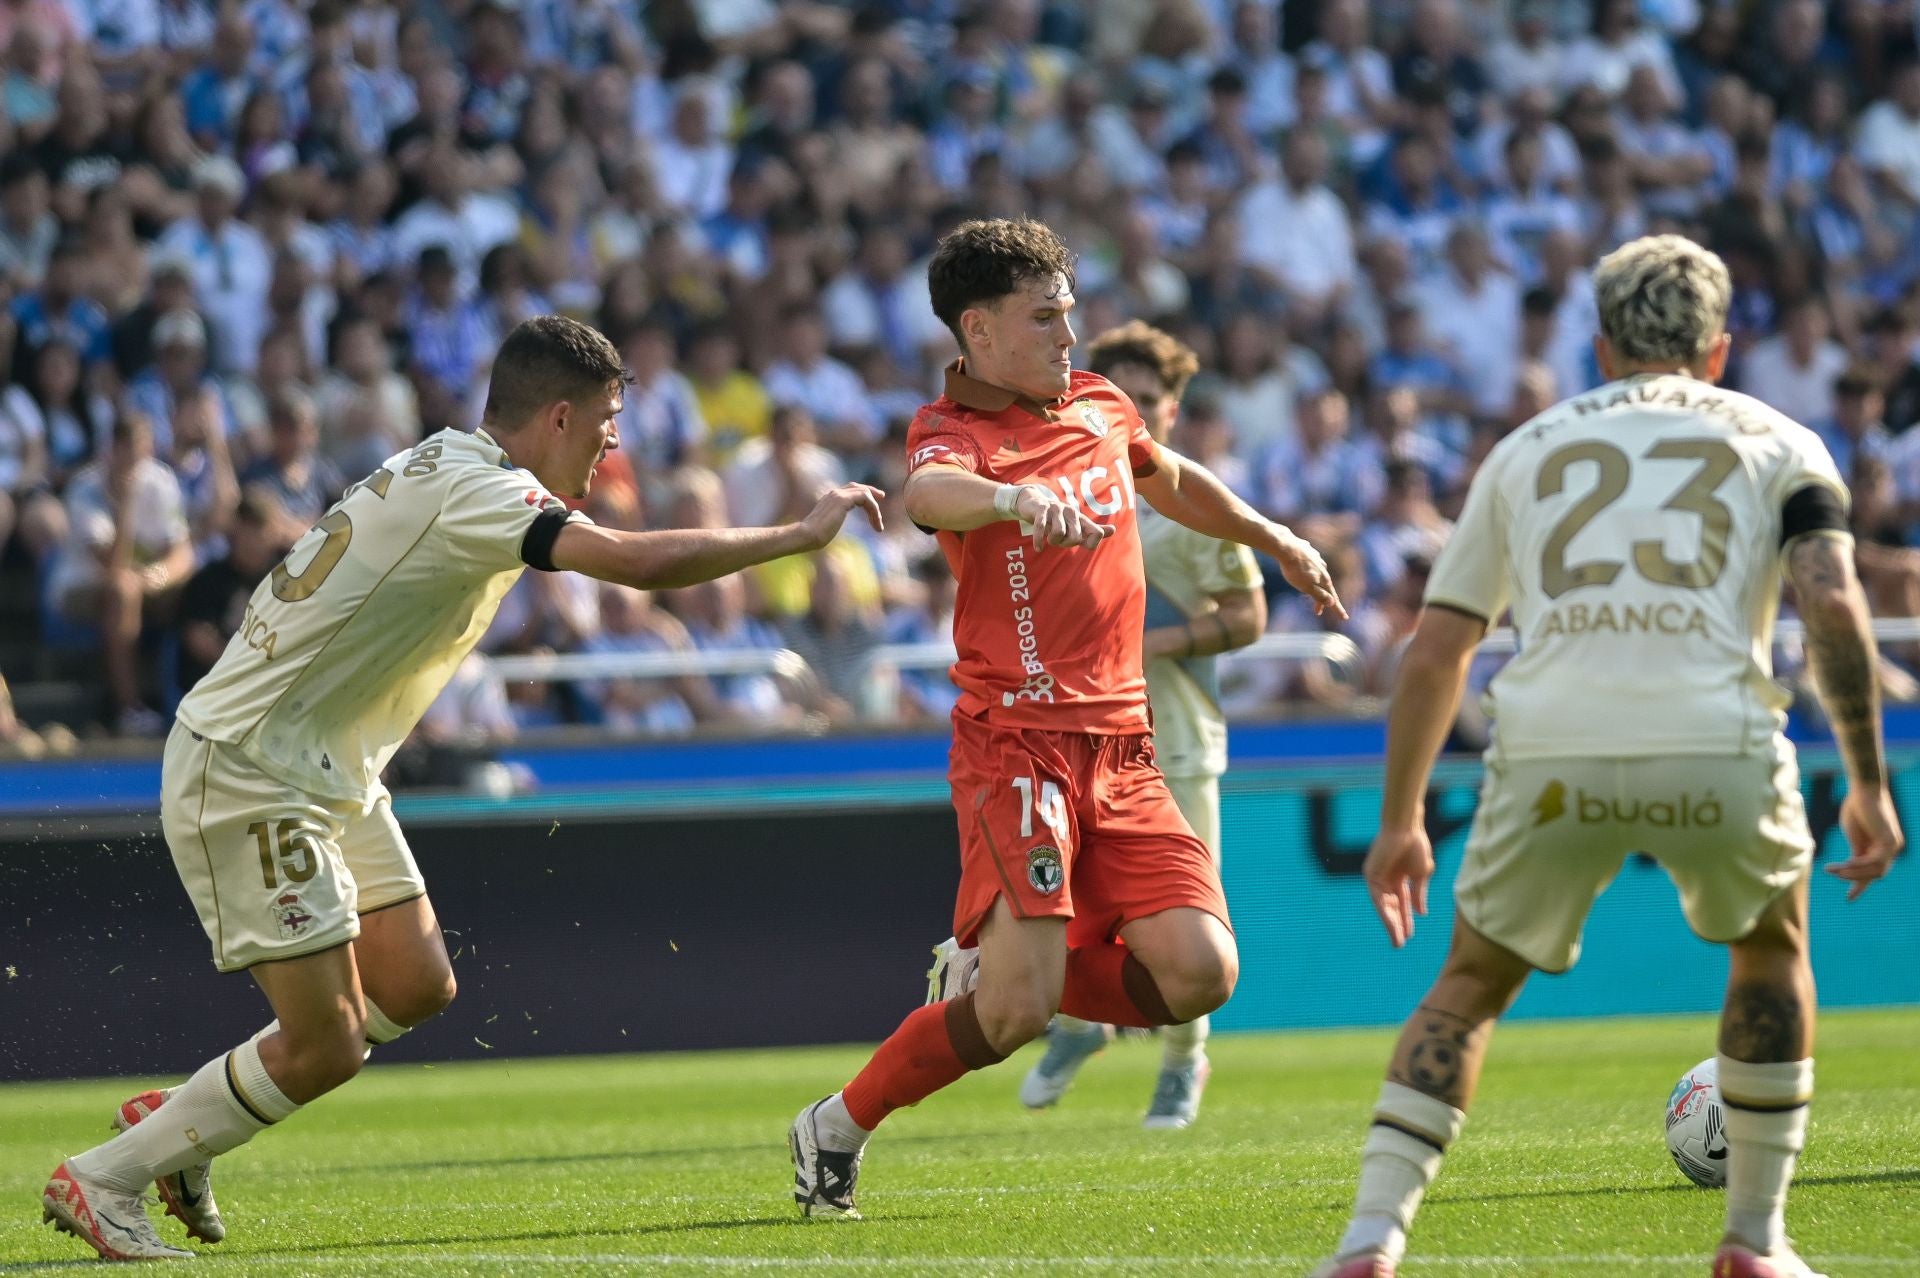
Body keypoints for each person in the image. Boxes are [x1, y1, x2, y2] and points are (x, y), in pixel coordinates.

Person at [41, 316, 885, 1261]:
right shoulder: (483, 495)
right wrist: (799, 534)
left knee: (417, 984)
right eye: (607, 419)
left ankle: (189, 1121)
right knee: (326, 1044)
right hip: (250, 767)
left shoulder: (446, 457)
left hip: (325, 766)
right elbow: (639, 565)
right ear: (558, 415)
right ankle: (106, 1174)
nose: (616, 441)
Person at [1310, 235, 1902, 1278]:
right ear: (1719, 350)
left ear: (1598, 347)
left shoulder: (1525, 450)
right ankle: (1757, 1241)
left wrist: (1400, 822)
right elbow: (1834, 605)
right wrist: (1864, 780)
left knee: (1470, 983)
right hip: (1716, 737)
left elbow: (1434, 652)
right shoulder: (1785, 442)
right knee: (1770, 950)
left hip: (1553, 747)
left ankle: (1371, 1241)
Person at [788, 218, 1342, 1218]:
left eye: (1070, 316)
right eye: (1045, 319)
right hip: (1019, 747)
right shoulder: (951, 430)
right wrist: (1017, 499)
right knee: (1016, 1016)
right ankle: (836, 1125)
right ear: (980, 331)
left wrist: (1274, 537)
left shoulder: (1100, 403)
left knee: (1201, 972)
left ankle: (996, 968)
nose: (1068, 339)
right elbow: (932, 492)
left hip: (1124, 748)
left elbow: (1167, 476)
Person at [1016, 319, 1265, 1129]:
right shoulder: (1070, 488)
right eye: (1121, 392)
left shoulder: (1191, 504)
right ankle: (1081, 1025)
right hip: (1083, 740)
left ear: (1172, 407)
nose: (1136, 408)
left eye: (1150, 398)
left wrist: (1155, 638)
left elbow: (1249, 615)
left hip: (1179, 741)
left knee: (1187, 917)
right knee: (1076, 899)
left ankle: (1183, 1061)